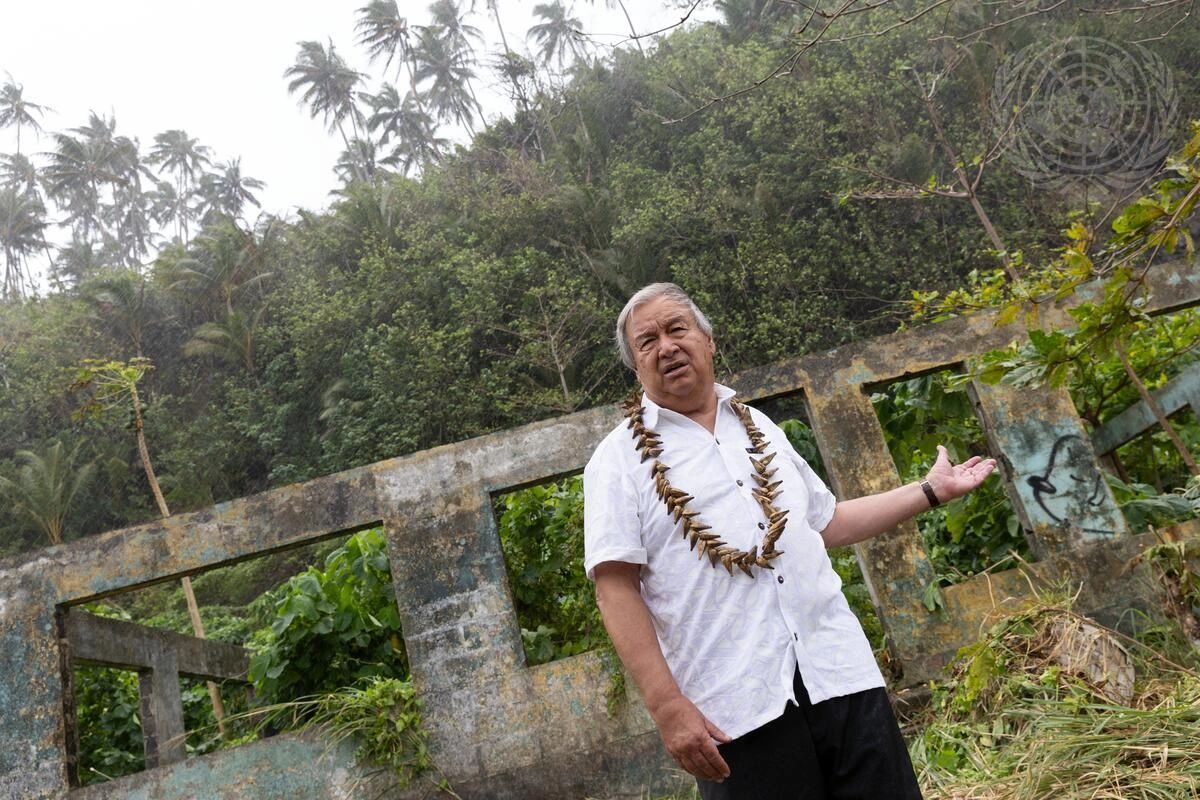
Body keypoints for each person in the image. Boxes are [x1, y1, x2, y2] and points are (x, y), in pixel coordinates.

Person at [583, 283, 996, 800]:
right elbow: (614, 588)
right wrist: (667, 709)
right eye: (647, 341)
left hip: (840, 675)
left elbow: (828, 524)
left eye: (677, 328)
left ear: (709, 342)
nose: (666, 346)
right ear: (636, 367)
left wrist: (931, 490)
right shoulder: (617, 461)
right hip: (737, 710)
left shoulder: (759, 427)